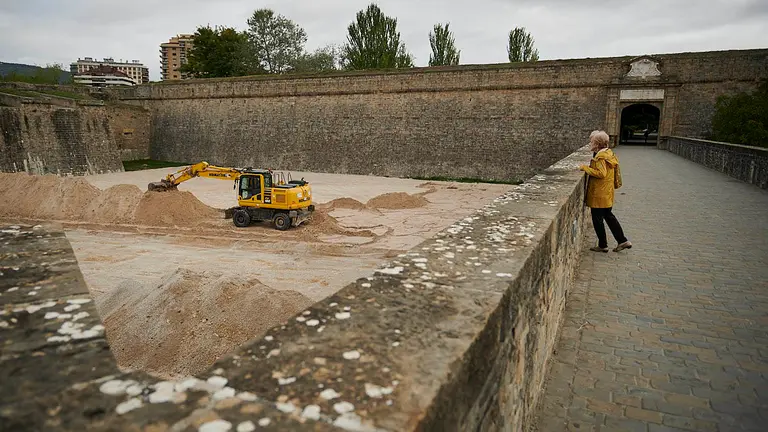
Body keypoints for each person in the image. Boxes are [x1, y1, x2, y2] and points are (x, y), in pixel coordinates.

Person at [579, 131, 632, 253]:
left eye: (592, 141)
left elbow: (601, 173)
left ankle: (603, 245)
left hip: (599, 194)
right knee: (609, 216)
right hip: (607, 192)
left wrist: (585, 168)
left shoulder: (601, 157)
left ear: (597, 144)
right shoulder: (609, 153)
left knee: (597, 219)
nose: (590, 143)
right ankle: (622, 240)